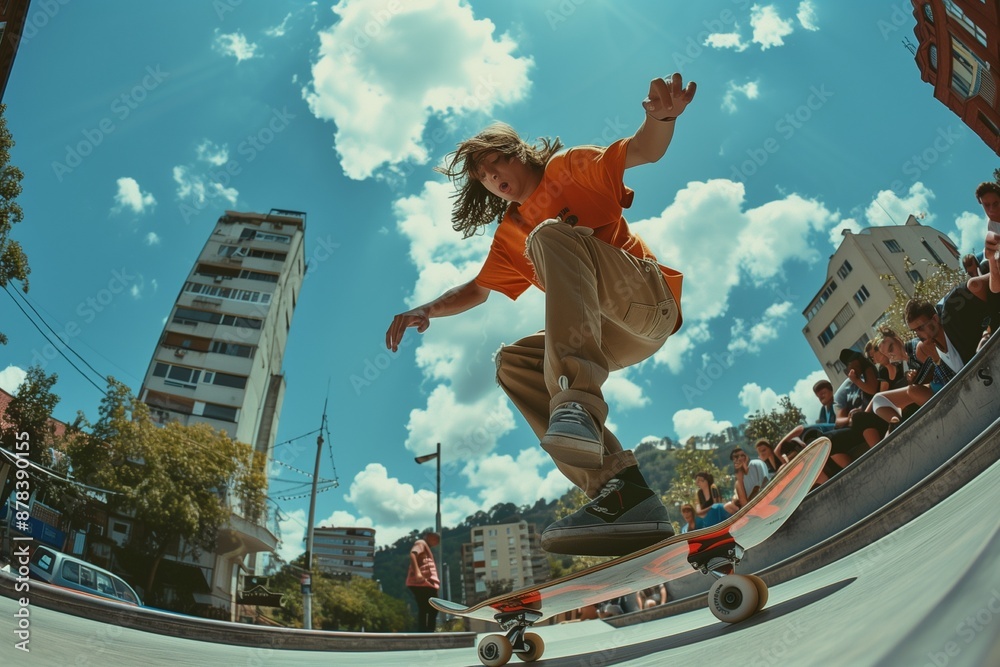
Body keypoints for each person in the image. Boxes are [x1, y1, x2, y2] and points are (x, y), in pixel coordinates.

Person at [386, 73, 697, 556]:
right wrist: (424, 309)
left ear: (519, 153)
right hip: (606, 336)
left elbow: (641, 151)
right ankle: (622, 491)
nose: (493, 180)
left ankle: (576, 404)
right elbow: (477, 289)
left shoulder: (568, 167)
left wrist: (663, 118)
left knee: (548, 236)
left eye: (496, 165)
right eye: (484, 178)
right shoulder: (508, 234)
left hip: (646, 302)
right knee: (513, 361)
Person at [966, 182, 1000, 304]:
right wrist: (991, 258)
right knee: (972, 284)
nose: (991, 210)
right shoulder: (992, 227)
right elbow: (995, 288)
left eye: (996, 204)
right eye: (986, 205)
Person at [406, 531, 441, 632]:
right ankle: (426, 631)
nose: (437, 542)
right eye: (436, 539)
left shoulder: (426, 547)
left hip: (425, 583)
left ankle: (425, 631)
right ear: (429, 536)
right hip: (421, 582)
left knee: (426, 607)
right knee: (431, 607)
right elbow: (413, 554)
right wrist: (417, 573)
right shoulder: (421, 543)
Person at [723, 447, 770, 514]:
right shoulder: (739, 481)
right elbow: (744, 505)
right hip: (754, 510)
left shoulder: (756, 464)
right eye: (735, 457)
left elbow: (764, 485)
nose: (739, 458)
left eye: (742, 455)